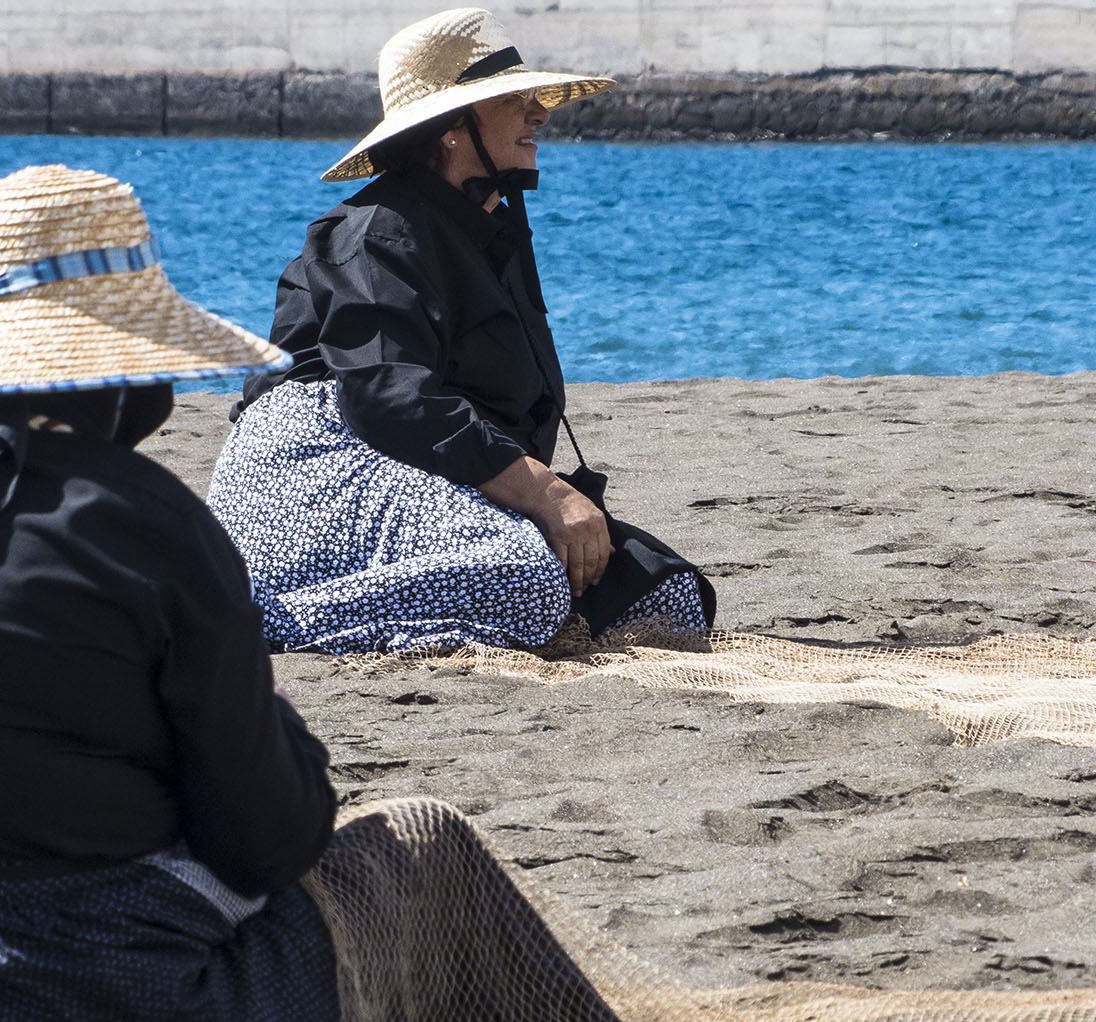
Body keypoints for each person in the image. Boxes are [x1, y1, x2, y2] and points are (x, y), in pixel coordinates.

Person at [0, 164, 654, 1022]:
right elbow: (270, 838)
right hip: (83, 1013)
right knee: (418, 848)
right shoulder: (144, 526)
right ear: (124, 376)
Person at [208, 7, 716, 654]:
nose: (541, 112)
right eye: (515, 98)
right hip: (321, 470)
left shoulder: (489, 225)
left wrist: (551, 501)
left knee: (669, 595)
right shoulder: (375, 232)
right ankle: (253, 623)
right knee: (528, 582)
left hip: (435, 466)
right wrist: (545, 493)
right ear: (451, 128)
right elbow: (386, 395)